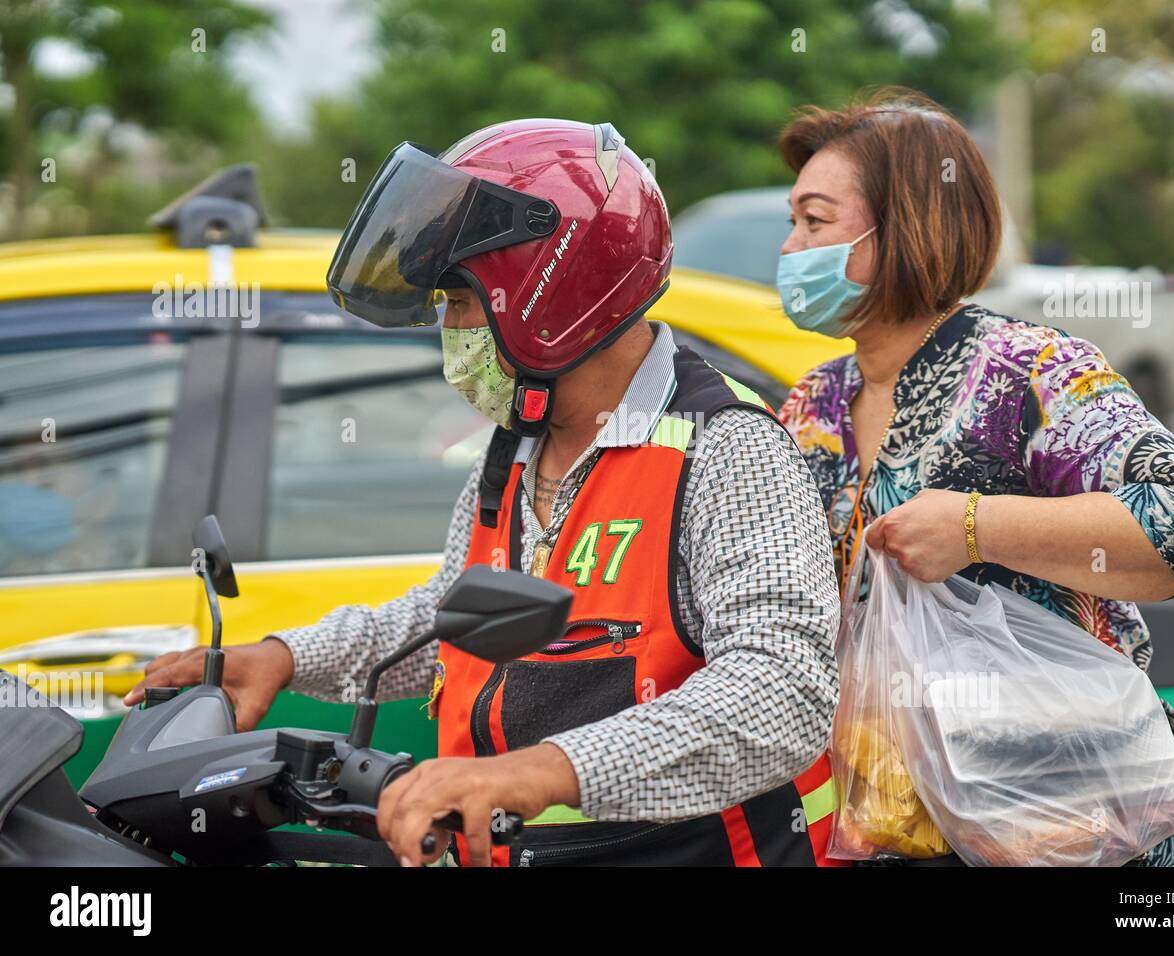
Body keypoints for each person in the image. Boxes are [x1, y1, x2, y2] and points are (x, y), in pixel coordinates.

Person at [128, 120, 843, 867]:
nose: (451, 329)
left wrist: (536, 773)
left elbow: (782, 689)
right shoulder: (516, 447)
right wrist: (284, 657)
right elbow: (447, 618)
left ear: (550, 292)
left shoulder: (726, 449)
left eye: (461, 301)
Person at [772, 88, 1174, 866]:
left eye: (815, 222)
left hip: (1058, 820)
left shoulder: (1030, 373)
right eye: (793, 221)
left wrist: (975, 528)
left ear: (910, 227)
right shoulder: (814, 404)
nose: (791, 249)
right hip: (886, 823)